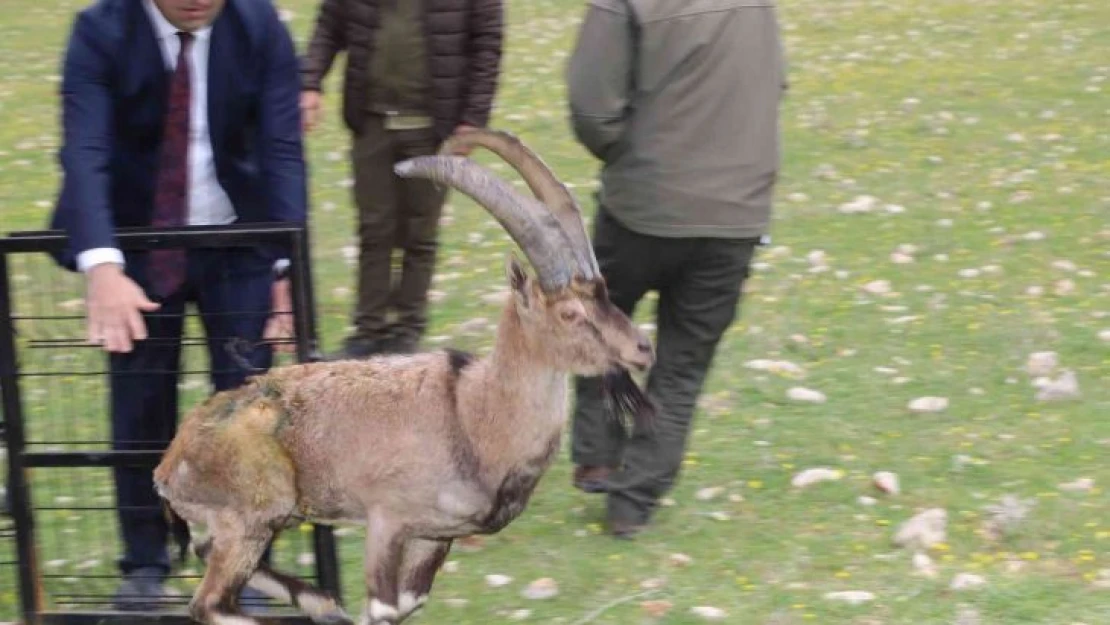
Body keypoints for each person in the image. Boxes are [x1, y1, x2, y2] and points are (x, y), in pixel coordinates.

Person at [49, 0, 306, 609]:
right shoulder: (99, 31)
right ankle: (144, 561)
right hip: (137, 245)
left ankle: (247, 565)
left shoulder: (260, 27)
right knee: (139, 409)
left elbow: (282, 151)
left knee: (250, 417)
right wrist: (103, 267)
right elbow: (84, 153)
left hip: (236, 241)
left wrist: (283, 268)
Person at [564, 0, 788, 538]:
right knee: (682, 367)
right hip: (735, 212)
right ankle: (631, 503)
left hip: (644, 204)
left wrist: (625, 153)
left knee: (598, 326)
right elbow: (775, 82)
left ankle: (598, 457)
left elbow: (592, 106)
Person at [300, 0, 504, 359]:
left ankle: (407, 333)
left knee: (420, 234)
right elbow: (332, 22)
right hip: (372, 123)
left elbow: (487, 41)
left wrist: (473, 119)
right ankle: (368, 333)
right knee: (374, 229)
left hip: (432, 127)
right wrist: (310, 81)